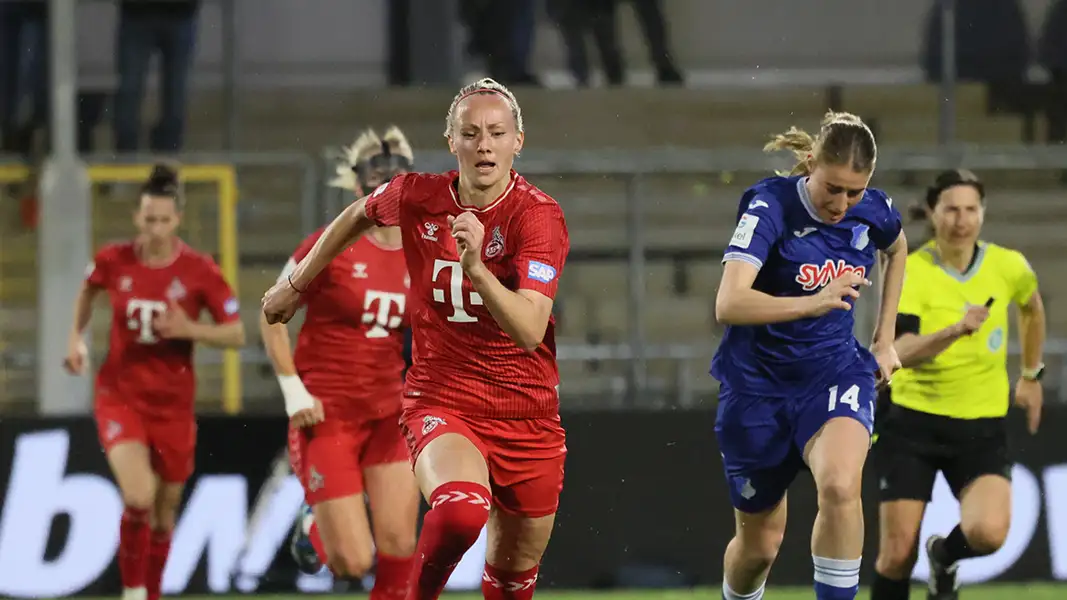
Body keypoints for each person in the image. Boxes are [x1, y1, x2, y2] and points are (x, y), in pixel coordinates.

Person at [262, 77, 569, 600]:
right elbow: (358, 213)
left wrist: (476, 269)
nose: (484, 145)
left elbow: (529, 329)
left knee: (513, 577)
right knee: (459, 513)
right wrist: (296, 283)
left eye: (496, 133)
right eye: (470, 133)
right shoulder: (416, 196)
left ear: (518, 140)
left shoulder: (539, 217)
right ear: (452, 142)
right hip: (442, 400)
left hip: (527, 413)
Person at [712, 111, 908, 600]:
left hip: (834, 371)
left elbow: (898, 248)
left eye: (854, 192)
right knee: (759, 546)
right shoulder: (768, 207)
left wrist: (885, 339)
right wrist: (813, 302)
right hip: (756, 386)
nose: (842, 203)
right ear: (808, 164)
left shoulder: (875, 209)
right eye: (833, 188)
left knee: (842, 486)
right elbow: (728, 303)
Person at [63, 162, 246, 600]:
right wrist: (75, 339)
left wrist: (191, 330)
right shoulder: (114, 259)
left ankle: (152, 592)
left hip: (173, 406)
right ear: (137, 218)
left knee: (164, 516)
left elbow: (236, 333)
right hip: (120, 395)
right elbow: (88, 290)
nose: (156, 229)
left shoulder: (200, 271)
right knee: (139, 495)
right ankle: (132, 592)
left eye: (164, 220)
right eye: (149, 220)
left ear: (177, 220)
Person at [869, 169, 1046, 600]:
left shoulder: (1009, 266)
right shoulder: (912, 269)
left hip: (979, 425)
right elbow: (899, 350)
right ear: (933, 212)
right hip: (912, 422)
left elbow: (1031, 307)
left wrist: (1030, 375)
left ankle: (945, 558)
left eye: (971, 209)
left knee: (988, 534)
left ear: (982, 213)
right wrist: (954, 331)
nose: (961, 219)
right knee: (895, 555)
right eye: (951, 209)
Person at [260, 126, 419, 597]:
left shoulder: (427, 251)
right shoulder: (329, 244)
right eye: (376, 179)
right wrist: (293, 391)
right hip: (327, 412)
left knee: (399, 545)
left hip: (389, 411)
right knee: (353, 560)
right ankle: (314, 523)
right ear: (357, 187)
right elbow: (271, 313)